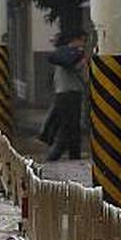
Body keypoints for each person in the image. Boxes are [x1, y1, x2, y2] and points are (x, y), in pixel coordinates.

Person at [43, 28, 88, 161]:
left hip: (64, 93)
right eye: (83, 40)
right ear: (76, 39)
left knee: (71, 127)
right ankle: (54, 156)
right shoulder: (70, 55)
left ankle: (74, 155)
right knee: (68, 127)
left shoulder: (64, 54)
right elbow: (76, 69)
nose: (84, 43)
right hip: (70, 94)